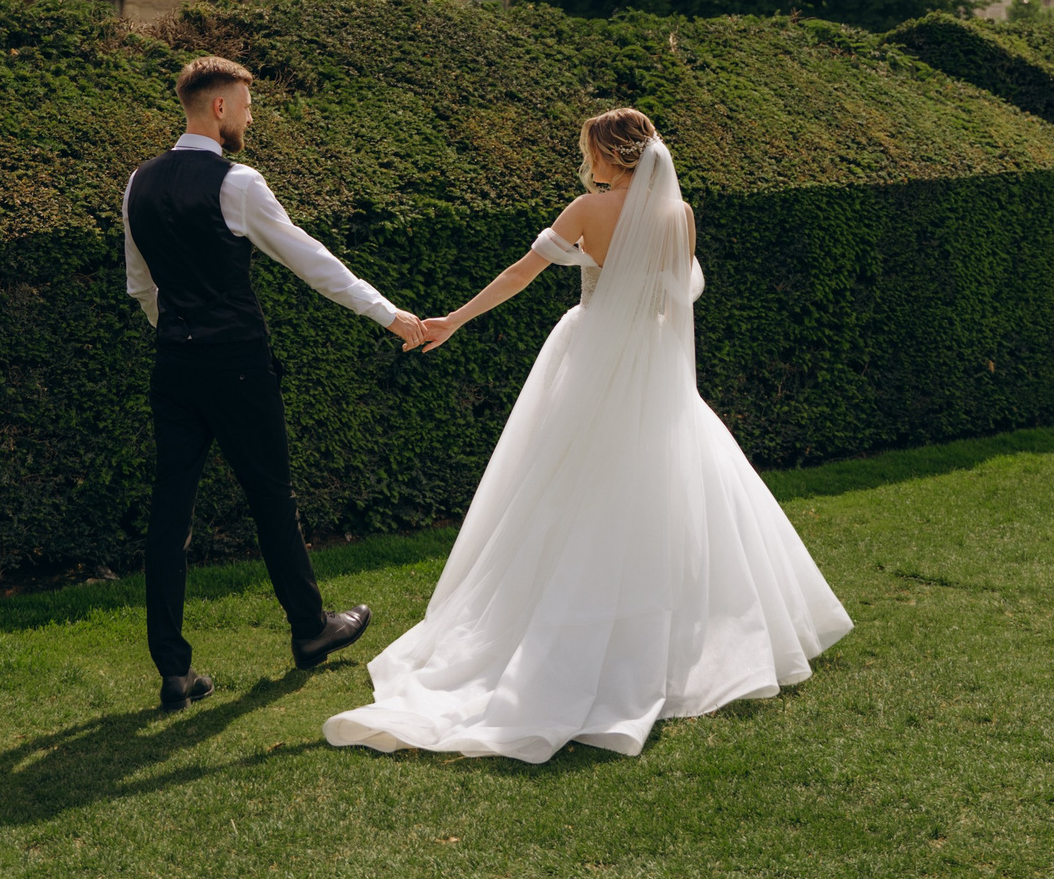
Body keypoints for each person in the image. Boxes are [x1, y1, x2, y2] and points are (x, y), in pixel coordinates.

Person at [323, 109, 853, 763]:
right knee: (667, 485)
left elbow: (520, 274)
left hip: (593, 353)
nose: (586, 161)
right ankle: (679, 634)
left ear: (609, 154)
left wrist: (453, 320)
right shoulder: (679, 215)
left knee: (569, 485)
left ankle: (568, 620)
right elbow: (676, 301)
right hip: (654, 360)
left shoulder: (587, 209)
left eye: (588, 150)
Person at [124, 55, 426, 712]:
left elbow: (141, 285)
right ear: (220, 107)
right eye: (246, 105)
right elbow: (312, 260)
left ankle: (174, 670)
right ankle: (310, 629)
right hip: (236, 363)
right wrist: (389, 314)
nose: (251, 118)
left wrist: (178, 332)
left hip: (173, 363)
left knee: (170, 513)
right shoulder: (237, 183)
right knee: (270, 497)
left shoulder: (138, 182)